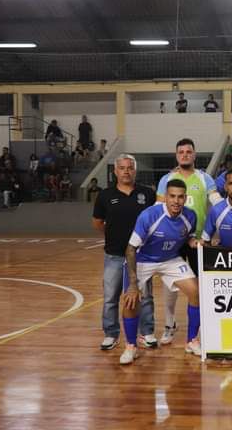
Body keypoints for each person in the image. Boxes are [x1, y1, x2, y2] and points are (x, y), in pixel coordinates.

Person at [120, 179, 201, 364]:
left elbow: (188, 236)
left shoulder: (190, 216)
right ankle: (131, 346)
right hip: (142, 260)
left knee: (196, 292)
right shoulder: (149, 215)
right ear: (165, 197)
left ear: (185, 198)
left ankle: (191, 341)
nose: (176, 201)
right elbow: (130, 249)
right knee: (130, 301)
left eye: (180, 197)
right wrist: (133, 285)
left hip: (170, 259)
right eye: (172, 196)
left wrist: (193, 242)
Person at [156, 138, 222, 345]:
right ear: (176, 155)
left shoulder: (204, 178)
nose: (185, 154)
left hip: (197, 241)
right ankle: (169, 324)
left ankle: (198, 330)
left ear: (194, 155)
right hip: (173, 241)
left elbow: (217, 204)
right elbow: (159, 210)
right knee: (170, 285)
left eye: (188, 151)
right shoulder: (167, 179)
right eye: (181, 152)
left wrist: (222, 227)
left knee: (199, 286)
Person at [92, 154, 157, 352]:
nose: (126, 171)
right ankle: (111, 334)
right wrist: (114, 236)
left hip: (141, 257)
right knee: (111, 296)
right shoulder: (104, 195)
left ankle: (146, 332)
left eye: (130, 167)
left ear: (135, 170)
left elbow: (155, 221)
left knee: (144, 296)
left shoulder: (147, 194)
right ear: (115, 171)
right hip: (114, 255)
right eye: (122, 168)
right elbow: (97, 223)